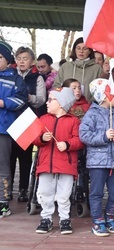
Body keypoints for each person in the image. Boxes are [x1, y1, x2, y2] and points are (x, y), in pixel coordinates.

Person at [79, 79, 114, 237]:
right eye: (113, 92)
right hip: (98, 162)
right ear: (103, 96)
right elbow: (84, 135)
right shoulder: (92, 114)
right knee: (96, 192)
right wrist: (103, 136)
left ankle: (109, 217)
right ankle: (97, 221)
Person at [33, 87, 84, 234]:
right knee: (45, 192)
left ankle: (64, 219)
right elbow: (35, 139)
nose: (47, 103)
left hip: (66, 164)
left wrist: (68, 144)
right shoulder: (43, 119)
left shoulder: (74, 121)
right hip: (45, 164)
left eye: (51, 100)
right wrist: (41, 138)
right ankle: (46, 218)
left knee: (64, 194)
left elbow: (79, 140)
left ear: (61, 103)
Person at [10, 46, 46, 203]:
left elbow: (41, 100)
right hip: (10, 119)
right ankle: (8, 188)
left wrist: (27, 97)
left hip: (28, 120)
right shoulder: (9, 74)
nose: (21, 61)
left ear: (32, 61)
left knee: (25, 157)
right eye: (19, 58)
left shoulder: (37, 77)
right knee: (9, 156)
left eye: (25, 58)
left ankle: (24, 189)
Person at [0, 41, 28, 216]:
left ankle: (3, 201)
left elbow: (22, 99)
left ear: (8, 59)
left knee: (2, 165)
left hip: (3, 128)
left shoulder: (15, 78)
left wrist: (3, 103)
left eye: (0, 57)